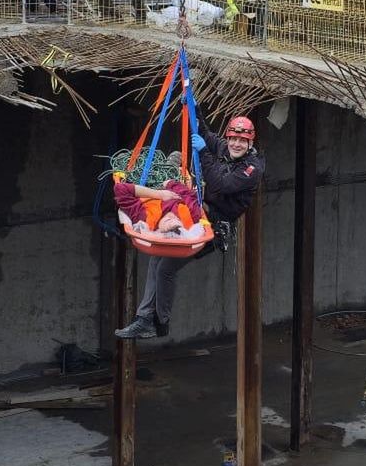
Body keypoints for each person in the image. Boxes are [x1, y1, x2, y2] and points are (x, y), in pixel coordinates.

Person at [116, 115, 266, 340]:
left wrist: (204, 153)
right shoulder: (225, 148)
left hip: (212, 228)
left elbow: (220, 184)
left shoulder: (252, 169)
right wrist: (191, 101)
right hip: (198, 214)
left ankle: (159, 321)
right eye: (233, 139)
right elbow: (203, 131)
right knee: (157, 258)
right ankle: (144, 319)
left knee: (166, 267)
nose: (236, 144)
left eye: (242, 141)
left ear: (250, 144)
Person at [113, 158, 205, 238]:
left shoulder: (145, 218)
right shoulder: (192, 216)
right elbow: (188, 194)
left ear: (159, 231)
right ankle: (169, 167)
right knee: (173, 168)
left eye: (168, 229)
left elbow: (120, 189)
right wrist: (170, 183)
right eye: (177, 228)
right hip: (171, 188)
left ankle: (167, 167)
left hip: (144, 188)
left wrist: (158, 194)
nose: (173, 220)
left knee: (142, 172)